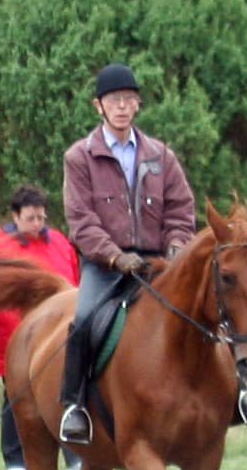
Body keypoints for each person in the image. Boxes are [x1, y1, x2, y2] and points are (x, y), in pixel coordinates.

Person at [57, 63, 205, 448]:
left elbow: (180, 209)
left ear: (137, 104)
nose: (122, 106)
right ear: (98, 107)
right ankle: (74, 406)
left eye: (128, 99)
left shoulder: (161, 155)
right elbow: (81, 220)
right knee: (85, 320)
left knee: (204, 313)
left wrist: (175, 248)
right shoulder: (79, 157)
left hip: (158, 263)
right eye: (113, 100)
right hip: (106, 267)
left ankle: (236, 396)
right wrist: (114, 256)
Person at [0, 183, 79, 470]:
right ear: (15, 216)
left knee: (64, 392)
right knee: (17, 394)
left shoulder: (60, 243)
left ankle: (73, 456)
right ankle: (15, 458)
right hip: (13, 333)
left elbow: (72, 284)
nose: (37, 224)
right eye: (30, 218)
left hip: (57, 333)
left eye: (41, 218)